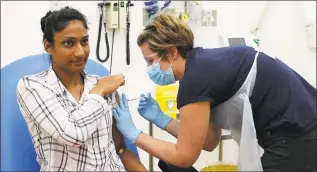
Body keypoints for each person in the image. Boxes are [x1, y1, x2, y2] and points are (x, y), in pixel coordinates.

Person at [112, 14, 317, 171]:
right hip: (303, 128)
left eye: (150, 61)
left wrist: (133, 133)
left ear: (173, 52)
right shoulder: (204, 65)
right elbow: (209, 141)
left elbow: (184, 156)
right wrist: (160, 119)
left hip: (297, 136)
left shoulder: (195, 80)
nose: (149, 68)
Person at [16, 7, 147, 172]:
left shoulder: (101, 84)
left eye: (84, 41)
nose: (80, 52)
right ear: (48, 46)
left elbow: (120, 148)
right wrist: (98, 92)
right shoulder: (32, 86)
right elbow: (72, 135)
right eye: (69, 43)